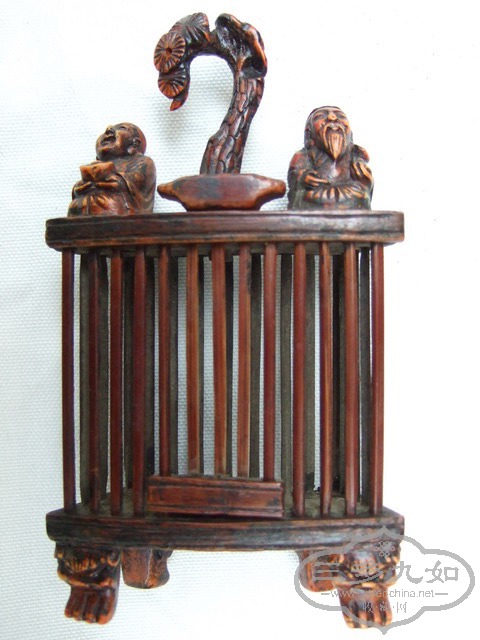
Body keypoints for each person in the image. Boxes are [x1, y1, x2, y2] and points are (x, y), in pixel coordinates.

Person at [288, 106, 373, 210]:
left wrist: (364, 177)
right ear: (309, 132)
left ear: (350, 133)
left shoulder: (355, 153)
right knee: (305, 196)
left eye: (340, 116)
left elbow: (365, 181)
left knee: (360, 194)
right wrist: (303, 178)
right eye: (321, 116)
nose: (332, 118)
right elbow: (294, 176)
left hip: (350, 193)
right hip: (315, 194)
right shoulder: (304, 155)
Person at [68, 123, 156, 216]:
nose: (108, 129)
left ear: (135, 144)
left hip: (116, 207)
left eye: (122, 128)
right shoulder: (95, 165)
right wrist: (79, 187)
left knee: (110, 204)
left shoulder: (142, 161)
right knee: (77, 205)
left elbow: (139, 179)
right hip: (84, 206)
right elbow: (81, 187)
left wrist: (119, 181)